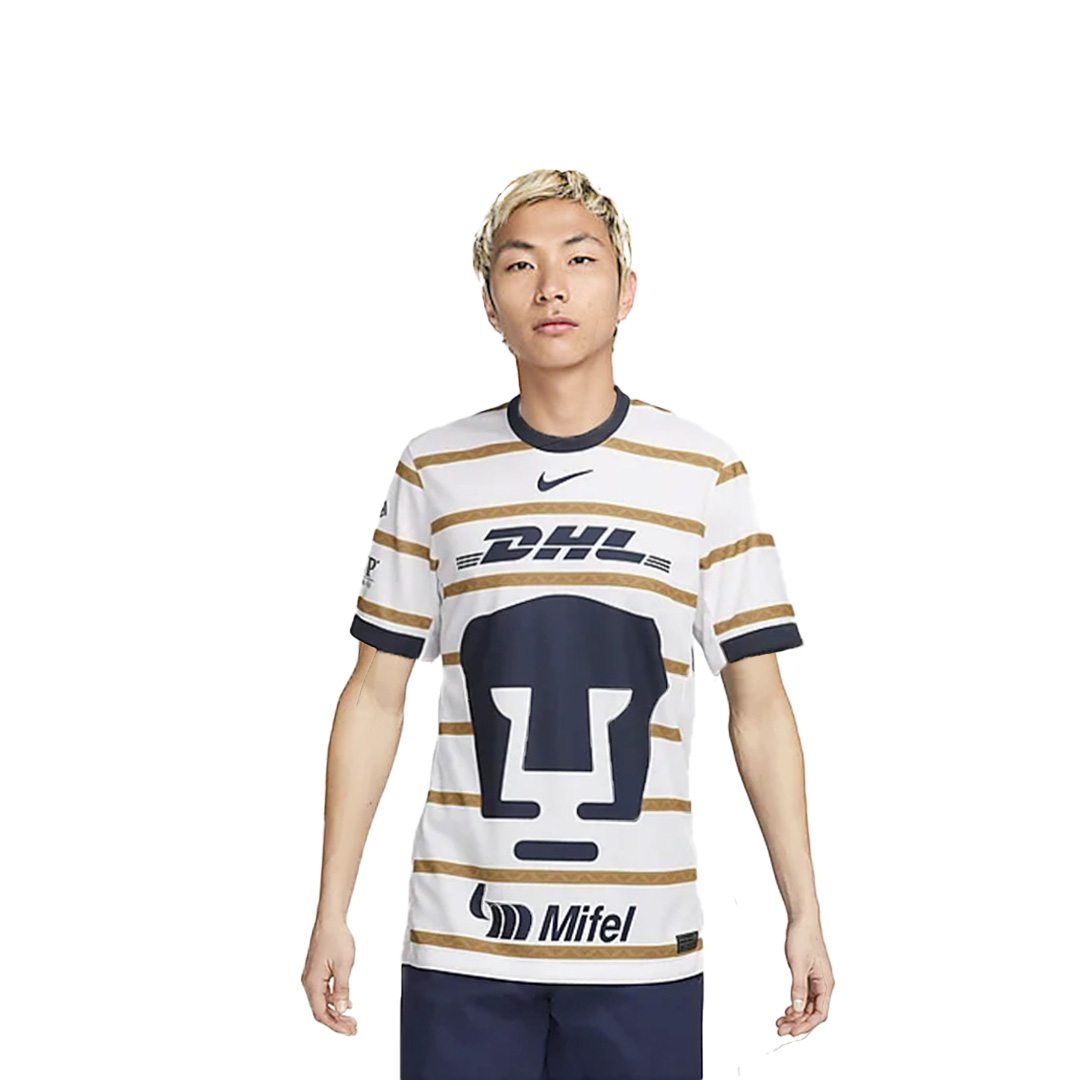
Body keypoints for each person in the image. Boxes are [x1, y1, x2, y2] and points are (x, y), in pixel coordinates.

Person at [301, 169, 834, 1080]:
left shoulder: (703, 472)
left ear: (626, 292)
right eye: (521, 265)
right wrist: (330, 906)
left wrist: (804, 910)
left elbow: (760, 705)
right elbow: (375, 695)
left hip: (644, 946)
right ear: (490, 304)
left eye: (580, 260)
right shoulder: (434, 469)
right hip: (464, 944)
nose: (551, 286)